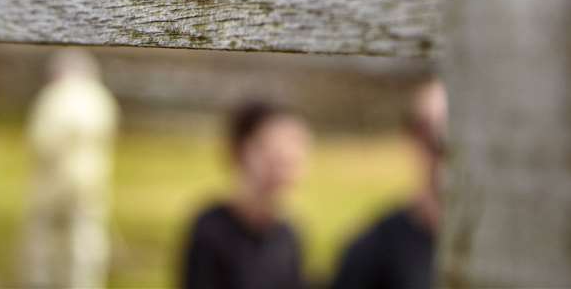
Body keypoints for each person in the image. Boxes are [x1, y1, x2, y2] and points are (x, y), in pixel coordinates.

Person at [329, 77, 447, 289]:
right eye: (433, 136)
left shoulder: (507, 244)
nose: (444, 152)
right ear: (411, 136)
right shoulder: (372, 248)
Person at [180, 100, 312, 289]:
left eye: (296, 148)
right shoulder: (211, 231)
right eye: (273, 151)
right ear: (239, 152)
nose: (286, 162)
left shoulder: (289, 236)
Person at [23, 48, 119, 289]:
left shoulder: (54, 96)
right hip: (90, 177)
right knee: (85, 233)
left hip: (56, 178)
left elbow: (41, 140)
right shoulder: (100, 97)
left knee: (47, 234)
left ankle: (44, 281)